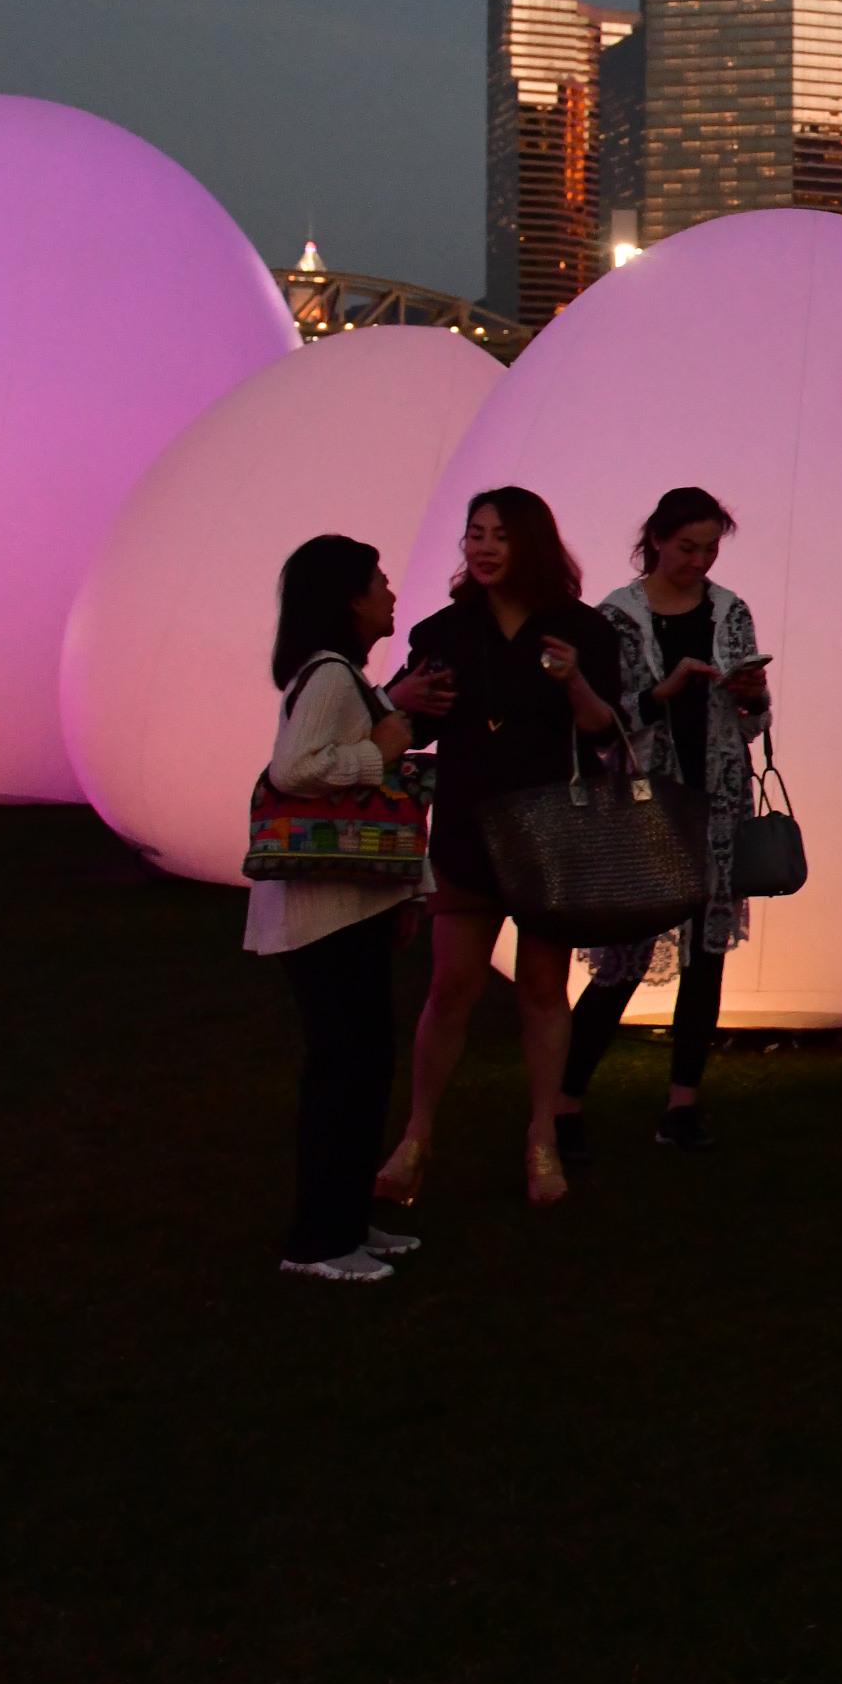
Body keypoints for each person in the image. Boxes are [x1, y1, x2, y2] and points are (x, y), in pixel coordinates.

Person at [373, 487, 623, 1210]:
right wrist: (405, 697)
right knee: (452, 984)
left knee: (543, 987)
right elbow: (407, 728)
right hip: (467, 829)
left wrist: (572, 678)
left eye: (499, 537)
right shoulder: (445, 630)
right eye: (474, 534)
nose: (481, 548)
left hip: (547, 832)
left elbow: (605, 733)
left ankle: (542, 1136)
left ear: (532, 546)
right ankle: (417, 1135)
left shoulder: (580, 630)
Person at [249, 534, 445, 1285]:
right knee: (345, 1071)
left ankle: (343, 1224)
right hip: (323, 913)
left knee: (359, 1069)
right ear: (348, 600)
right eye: (380, 582)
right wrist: (385, 745)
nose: (391, 593)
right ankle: (319, 1243)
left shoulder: (338, 677)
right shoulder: (331, 676)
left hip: (344, 909)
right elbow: (297, 769)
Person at [557, 486, 771, 1157]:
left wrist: (752, 697)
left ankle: (683, 1102)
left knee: (706, 953)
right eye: (687, 547)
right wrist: (663, 693)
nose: (699, 562)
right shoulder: (615, 620)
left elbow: (755, 723)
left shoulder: (730, 611)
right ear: (656, 538)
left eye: (709, 549)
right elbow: (598, 723)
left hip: (715, 795)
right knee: (624, 954)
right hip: (643, 800)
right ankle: (564, 1103)